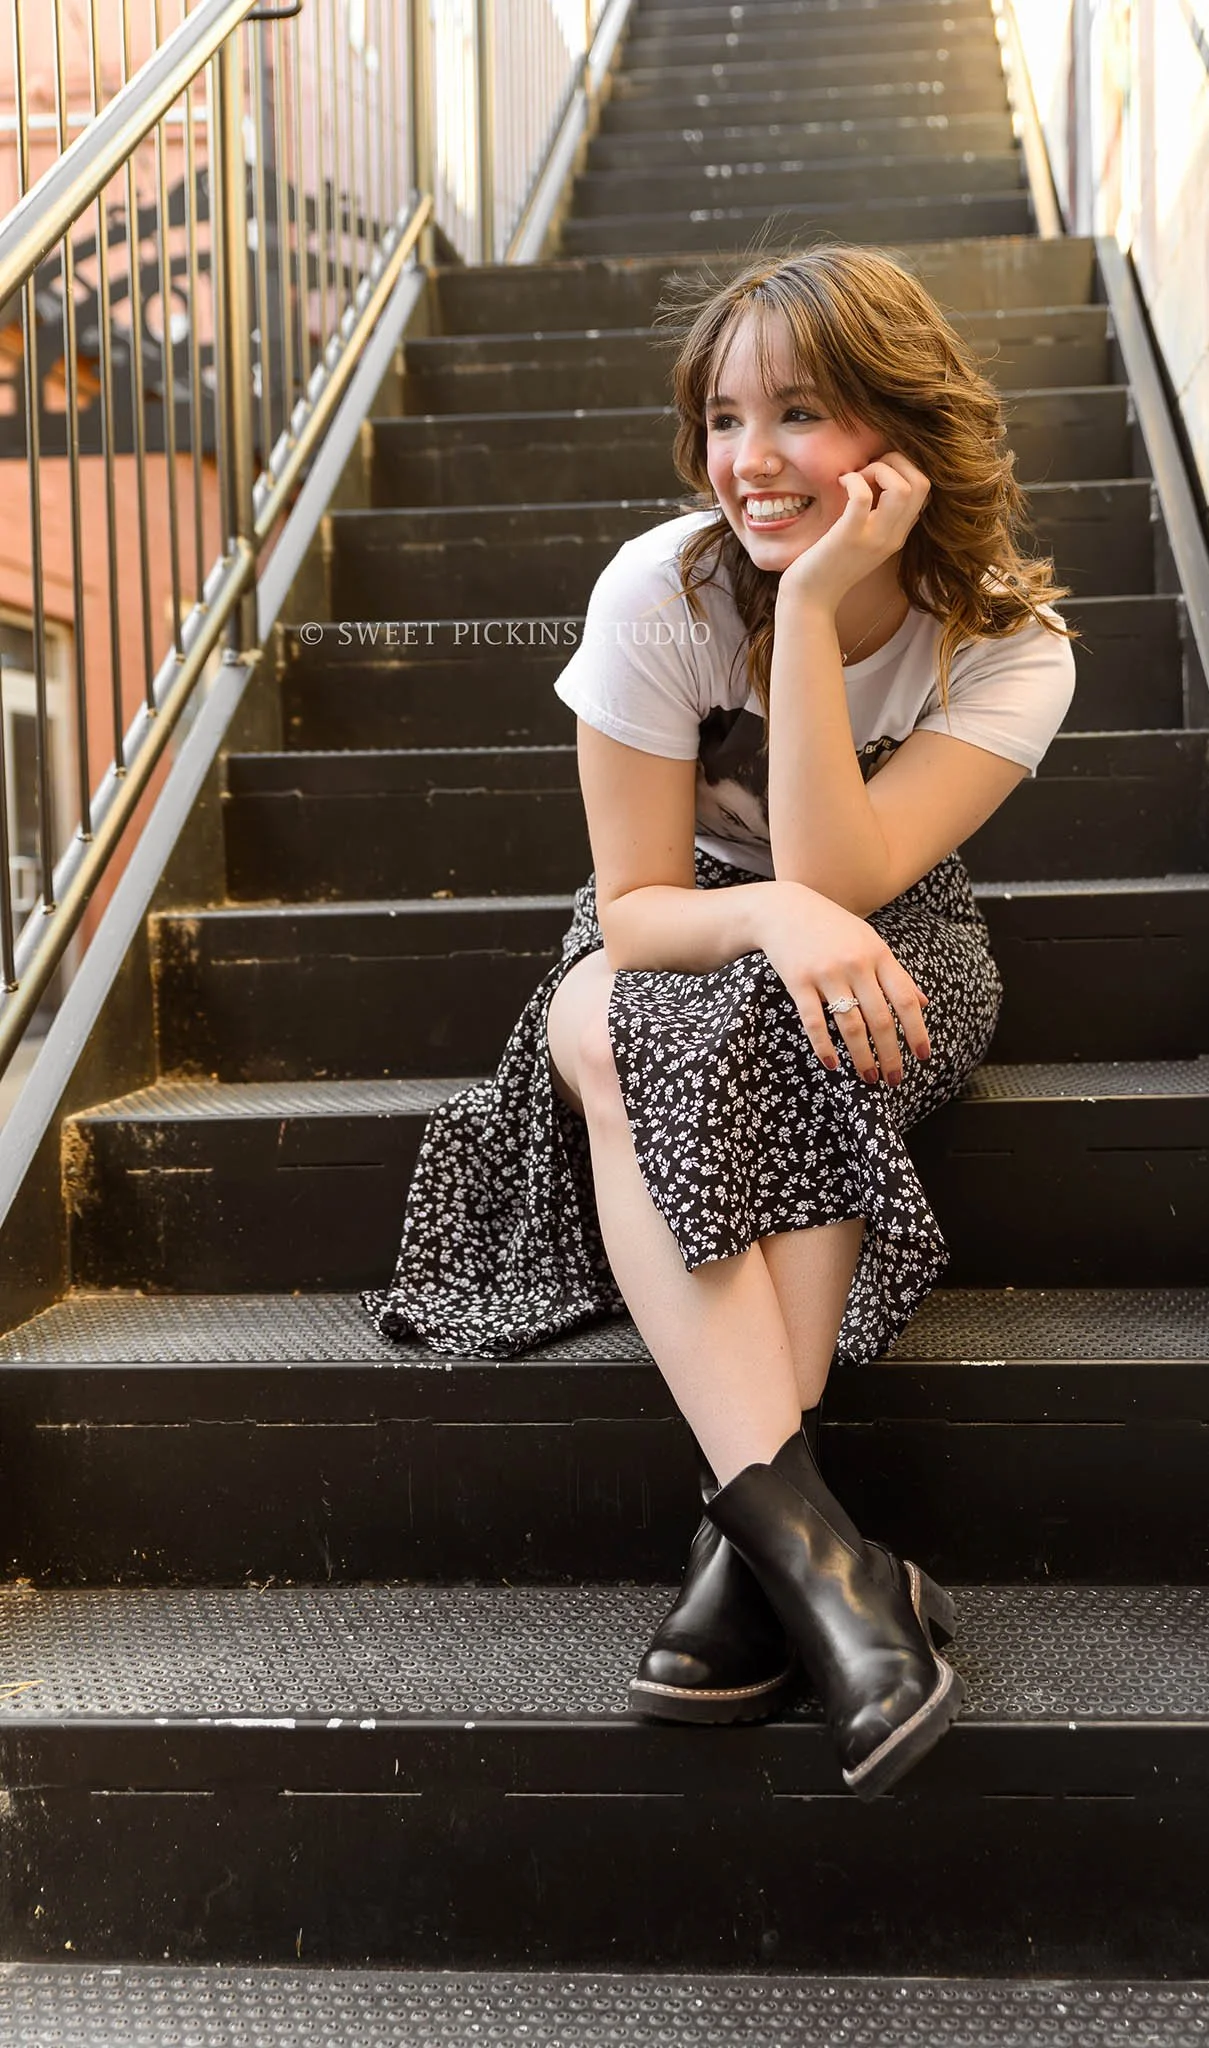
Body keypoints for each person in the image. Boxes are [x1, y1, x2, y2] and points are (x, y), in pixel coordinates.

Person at [361, 240, 1078, 1799]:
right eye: (724, 420)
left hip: (896, 944)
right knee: (631, 1026)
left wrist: (813, 610)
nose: (748, 463)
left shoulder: (1015, 649)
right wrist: (756, 912)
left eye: (800, 415)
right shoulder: (661, 589)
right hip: (678, 926)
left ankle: (744, 1563)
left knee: (788, 1038)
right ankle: (829, 1569)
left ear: (903, 433)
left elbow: (850, 875)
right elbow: (633, 912)